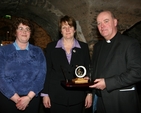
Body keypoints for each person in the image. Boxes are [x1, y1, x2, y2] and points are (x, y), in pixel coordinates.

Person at [89, 10, 141, 113]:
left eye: (106, 21)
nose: (102, 26)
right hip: (99, 101)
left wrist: (107, 83)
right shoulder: (98, 47)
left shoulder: (130, 43)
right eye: (99, 23)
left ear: (115, 22)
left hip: (120, 102)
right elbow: (94, 69)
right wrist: (88, 77)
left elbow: (137, 72)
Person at [41, 15, 92, 113]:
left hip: (77, 96)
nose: (67, 30)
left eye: (70, 27)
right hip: (56, 95)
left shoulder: (83, 47)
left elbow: (88, 71)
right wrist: (45, 94)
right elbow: (47, 71)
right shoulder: (51, 47)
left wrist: (89, 93)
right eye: (64, 27)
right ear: (61, 31)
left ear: (75, 30)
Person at [0, 17, 46, 113]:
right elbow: (1, 77)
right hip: (8, 99)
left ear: (30, 33)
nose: (24, 32)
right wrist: (16, 99)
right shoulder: (4, 51)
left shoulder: (38, 52)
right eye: (20, 28)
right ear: (15, 32)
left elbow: (41, 75)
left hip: (32, 99)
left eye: (27, 29)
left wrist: (28, 97)